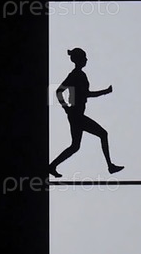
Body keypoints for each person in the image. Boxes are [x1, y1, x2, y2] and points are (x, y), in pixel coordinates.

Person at [49, 48, 124, 178]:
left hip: (76, 114)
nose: (86, 60)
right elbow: (59, 91)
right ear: (79, 60)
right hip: (76, 115)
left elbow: (85, 94)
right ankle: (110, 166)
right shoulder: (75, 75)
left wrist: (104, 92)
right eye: (84, 58)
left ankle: (52, 166)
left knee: (75, 146)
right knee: (103, 134)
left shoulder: (80, 75)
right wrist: (66, 108)